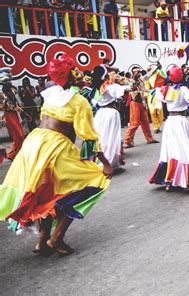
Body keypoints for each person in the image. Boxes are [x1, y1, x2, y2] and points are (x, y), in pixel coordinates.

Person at [0, 54, 112, 256]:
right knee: (93, 181)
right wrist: (105, 163)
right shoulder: (79, 102)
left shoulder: (49, 94)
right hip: (55, 147)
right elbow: (88, 136)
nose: (80, 75)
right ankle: (56, 237)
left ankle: (41, 241)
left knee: (47, 191)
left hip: (34, 144)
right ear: (71, 76)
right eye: (75, 72)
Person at [148, 66, 189, 192]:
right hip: (180, 121)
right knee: (184, 150)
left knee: (169, 150)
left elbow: (154, 90)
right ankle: (186, 181)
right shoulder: (183, 89)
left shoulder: (164, 89)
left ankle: (169, 180)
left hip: (170, 122)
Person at [92, 66, 127, 173]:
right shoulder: (109, 86)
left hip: (100, 114)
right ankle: (111, 164)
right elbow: (122, 92)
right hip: (111, 113)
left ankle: (100, 163)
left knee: (101, 138)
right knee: (112, 138)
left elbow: (94, 102)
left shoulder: (96, 89)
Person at [123, 69, 158, 148]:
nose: (138, 73)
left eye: (138, 72)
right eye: (136, 72)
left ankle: (150, 139)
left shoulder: (141, 79)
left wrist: (156, 68)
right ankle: (127, 141)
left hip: (141, 103)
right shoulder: (129, 81)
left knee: (145, 121)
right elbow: (129, 88)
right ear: (132, 73)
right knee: (134, 123)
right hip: (134, 103)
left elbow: (149, 74)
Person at [0, 81, 25, 160]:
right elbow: (5, 107)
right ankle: (12, 155)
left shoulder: (12, 94)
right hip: (9, 116)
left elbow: (16, 106)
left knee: (20, 136)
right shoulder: (3, 96)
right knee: (18, 136)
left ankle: (14, 154)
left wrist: (24, 113)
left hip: (14, 115)